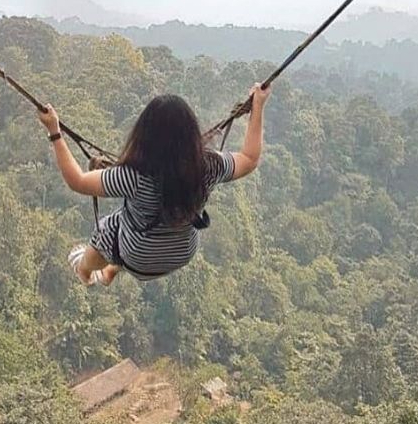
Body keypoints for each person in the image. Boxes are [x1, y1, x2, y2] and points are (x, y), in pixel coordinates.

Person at [42, 83, 268, 285]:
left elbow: (78, 181)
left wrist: (55, 132)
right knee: (129, 223)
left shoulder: (133, 175)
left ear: (144, 135)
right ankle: (112, 270)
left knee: (110, 226)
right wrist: (258, 106)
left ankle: (84, 269)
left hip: (138, 257)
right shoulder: (208, 166)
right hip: (181, 253)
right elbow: (249, 159)